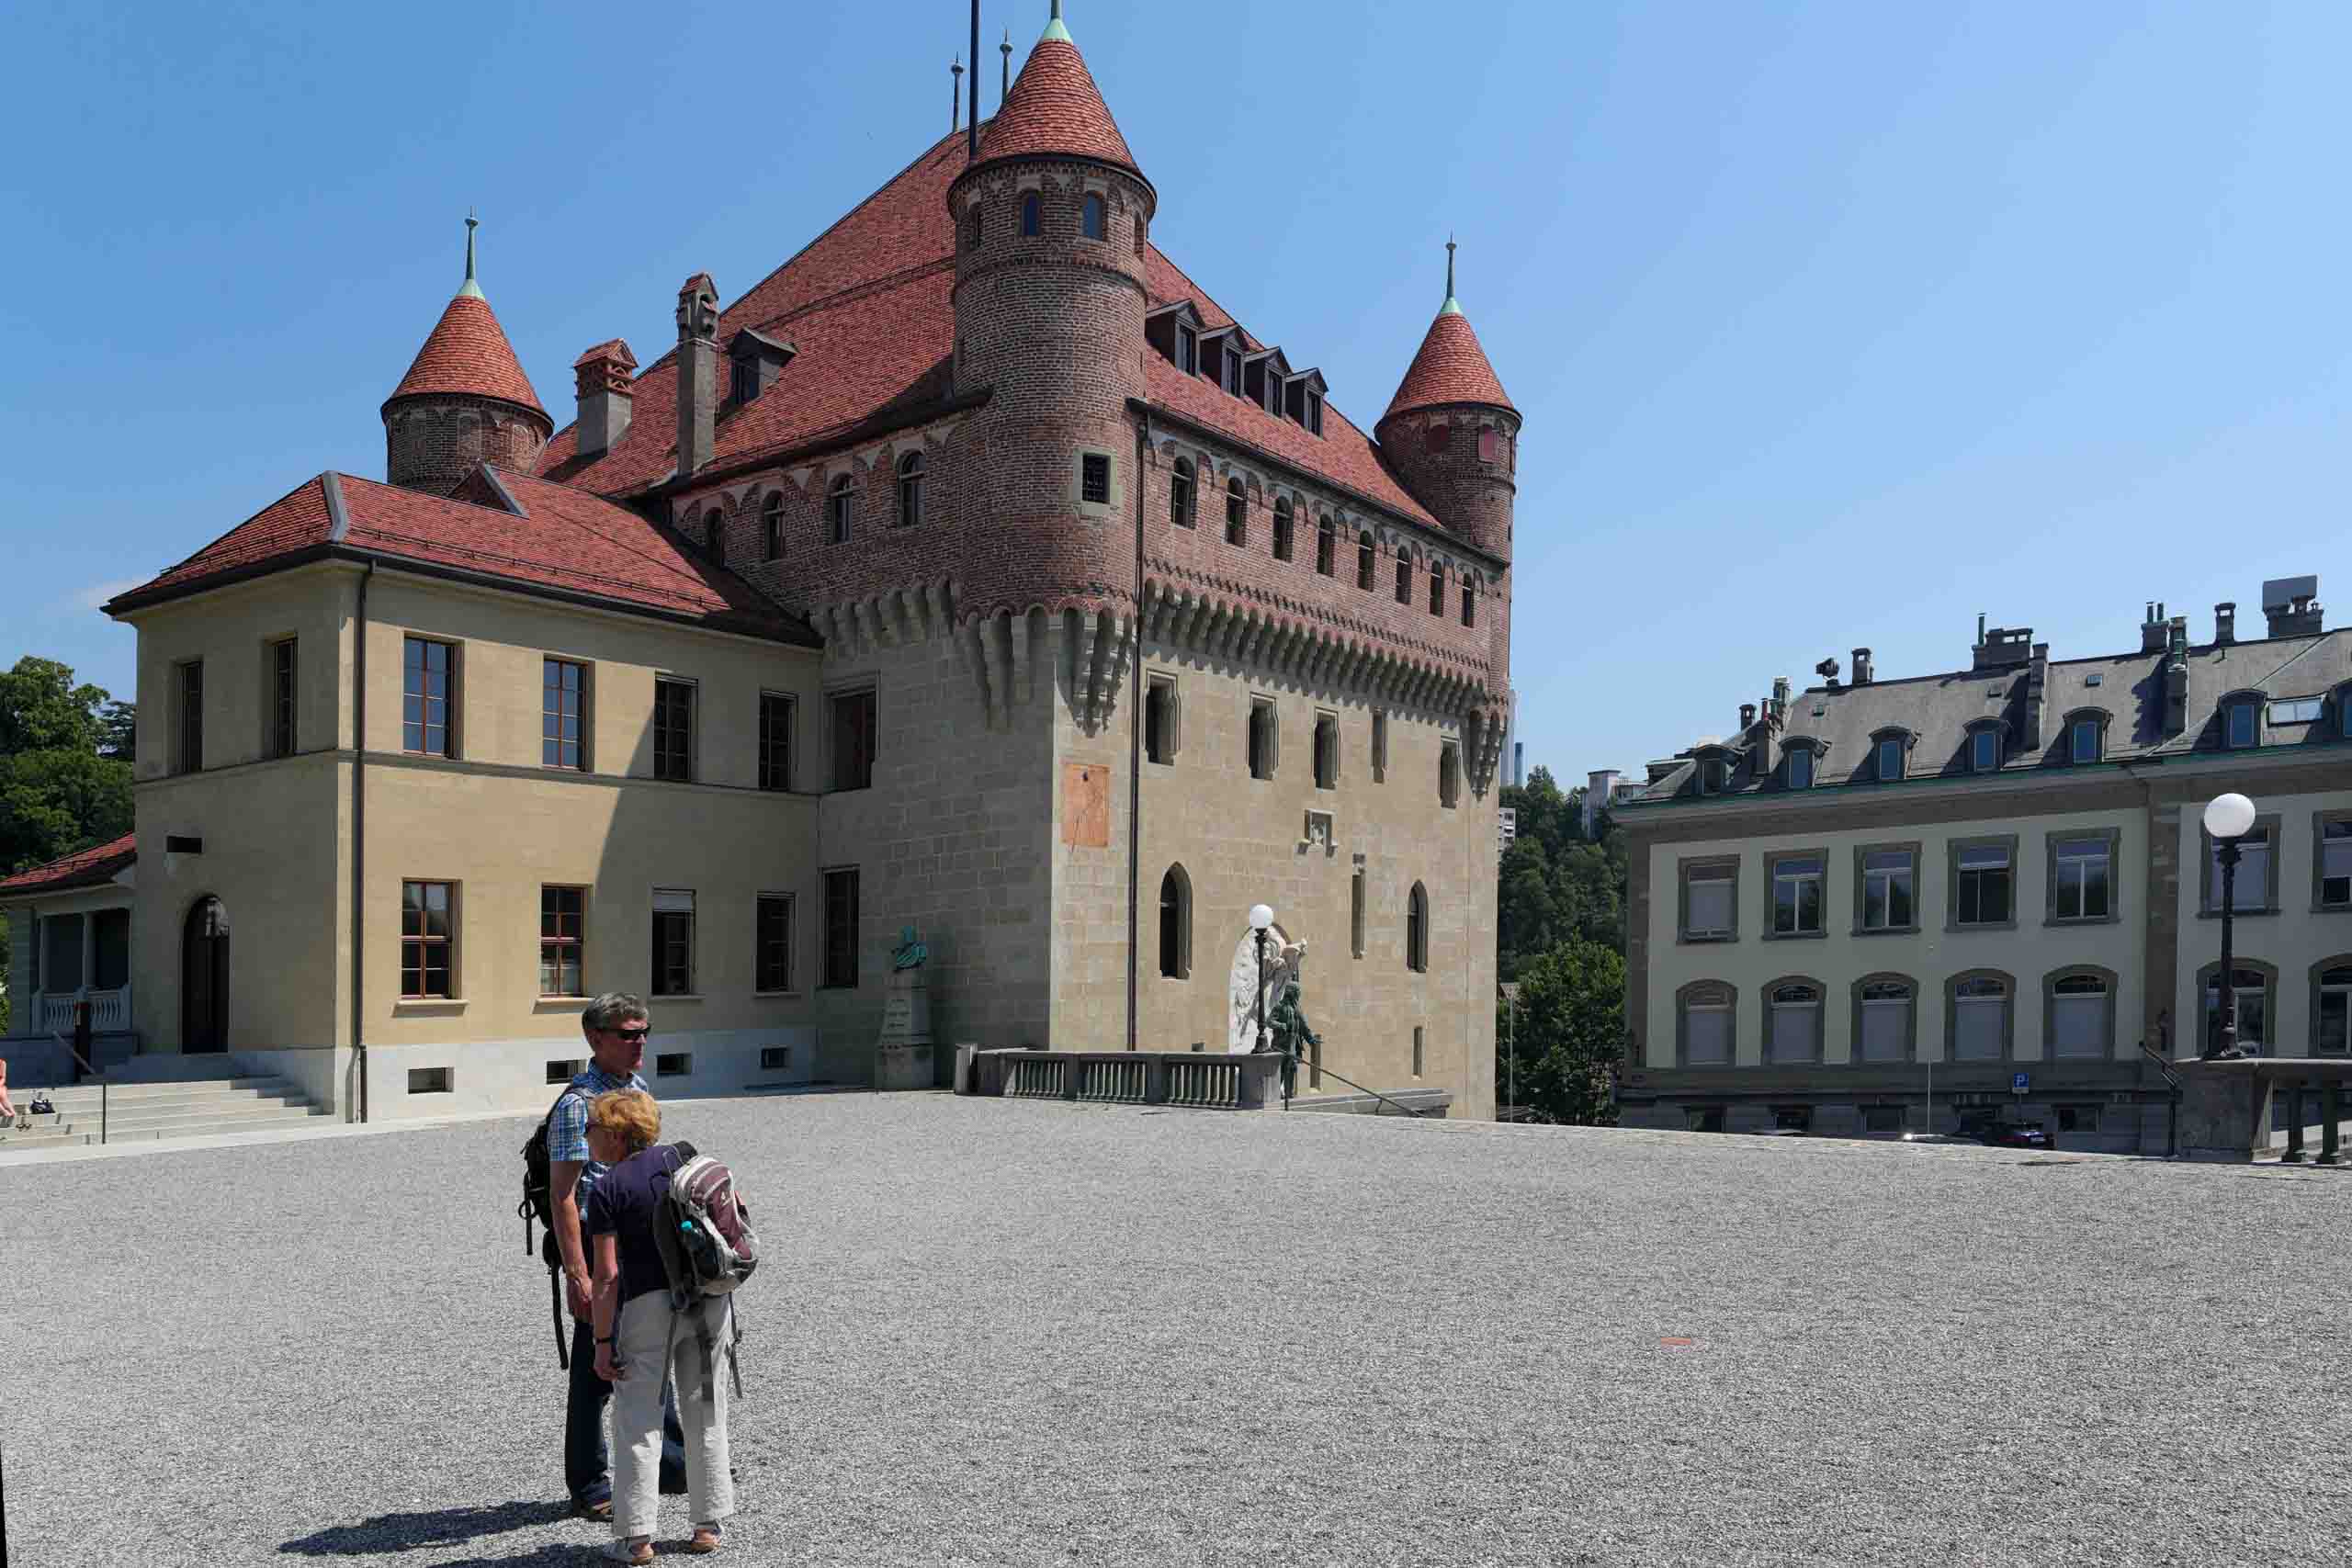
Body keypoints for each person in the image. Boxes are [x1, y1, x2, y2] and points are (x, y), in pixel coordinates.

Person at [547, 993, 687, 1519]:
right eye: (628, 1034)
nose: (640, 1042)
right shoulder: (576, 1105)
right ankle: (588, 1483)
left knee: (654, 1347)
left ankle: (672, 1463)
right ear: (595, 1038)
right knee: (592, 1369)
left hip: (642, 1239)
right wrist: (578, 1274)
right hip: (595, 1238)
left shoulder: (639, 1088)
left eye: (644, 1031)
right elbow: (564, 1194)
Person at [586, 1089, 735, 1561]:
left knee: (638, 1420)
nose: (588, 1138)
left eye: (592, 1130)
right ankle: (707, 1526)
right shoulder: (685, 1162)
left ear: (613, 1135)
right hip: (710, 1301)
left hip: (647, 1308)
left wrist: (602, 1341)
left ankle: (636, 1539)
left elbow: (607, 1276)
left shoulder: (608, 1188)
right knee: (706, 1411)